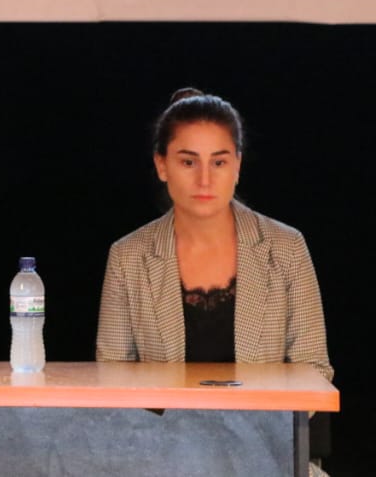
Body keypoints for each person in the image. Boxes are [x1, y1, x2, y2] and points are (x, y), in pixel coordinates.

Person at [96, 89, 332, 379]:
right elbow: (112, 378)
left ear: (237, 166)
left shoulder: (286, 248)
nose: (204, 180)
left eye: (218, 162)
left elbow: (314, 372)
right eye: (188, 162)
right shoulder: (127, 257)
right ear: (162, 165)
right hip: (159, 426)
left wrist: (262, 424)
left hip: (264, 424)